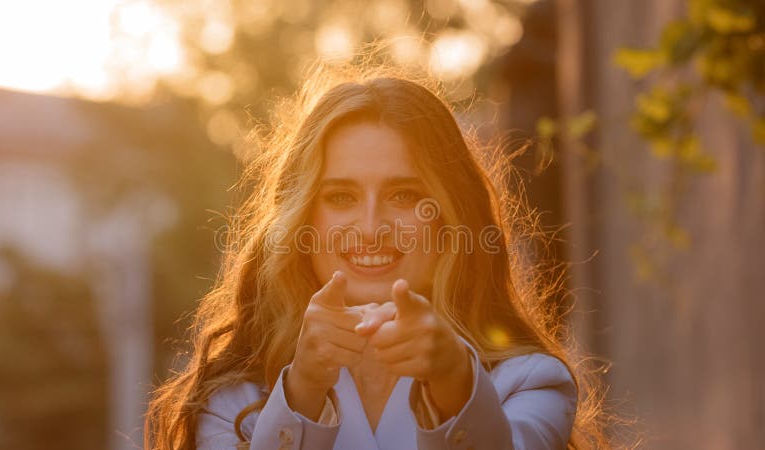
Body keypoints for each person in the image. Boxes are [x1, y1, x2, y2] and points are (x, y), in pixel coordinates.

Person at [145, 62, 614, 450]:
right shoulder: (232, 399)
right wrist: (302, 392)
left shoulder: (533, 383)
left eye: (405, 195)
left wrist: (454, 380)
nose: (371, 229)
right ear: (302, 218)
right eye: (342, 198)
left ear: (452, 218)